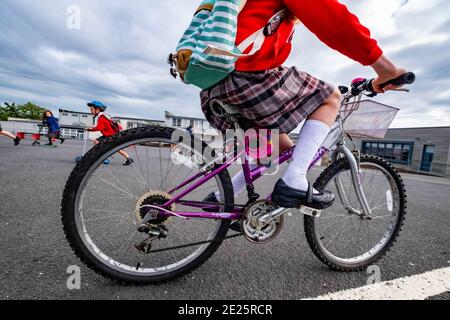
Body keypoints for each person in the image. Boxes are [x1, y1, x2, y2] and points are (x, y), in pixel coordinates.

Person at [202, 0, 408, 213]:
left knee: (278, 148)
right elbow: (333, 19)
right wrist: (385, 68)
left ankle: (221, 197)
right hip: (245, 81)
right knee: (331, 96)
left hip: (213, 88)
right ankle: (295, 180)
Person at [86, 101, 134, 166]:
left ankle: (98, 159)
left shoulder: (101, 118)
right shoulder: (105, 116)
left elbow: (99, 128)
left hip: (110, 136)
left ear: (97, 110)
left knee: (99, 143)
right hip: (109, 135)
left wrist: (89, 129)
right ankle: (129, 159)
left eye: (92, 110)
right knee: (116, 148)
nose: (91, 112)